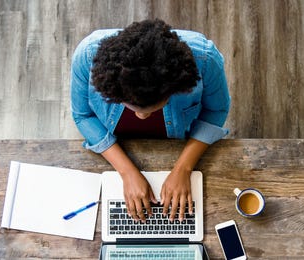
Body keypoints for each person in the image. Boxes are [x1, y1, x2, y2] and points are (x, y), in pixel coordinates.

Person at [70, 19, 230, 223]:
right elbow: (83, 116)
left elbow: (217, 110)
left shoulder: (206, 59)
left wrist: (183, 168)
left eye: (154, 108)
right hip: (115, 139)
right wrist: (127, 172)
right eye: (132, 107)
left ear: (175, 89)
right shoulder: (87, 56)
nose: (142, 117)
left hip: (179, 137)